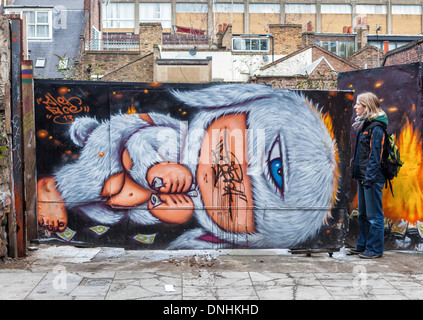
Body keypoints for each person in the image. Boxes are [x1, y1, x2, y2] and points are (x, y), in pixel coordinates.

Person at [349, 92, 388, 259]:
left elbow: (375, 156)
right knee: (363, 215)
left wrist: (369, 179)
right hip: (363, 177)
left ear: (367, 106)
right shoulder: (364, 126)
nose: (355, 107)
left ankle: (374, 249)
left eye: (358, 104)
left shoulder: (376, 128)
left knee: (374, 216)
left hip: (371, 178)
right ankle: (363, 245)